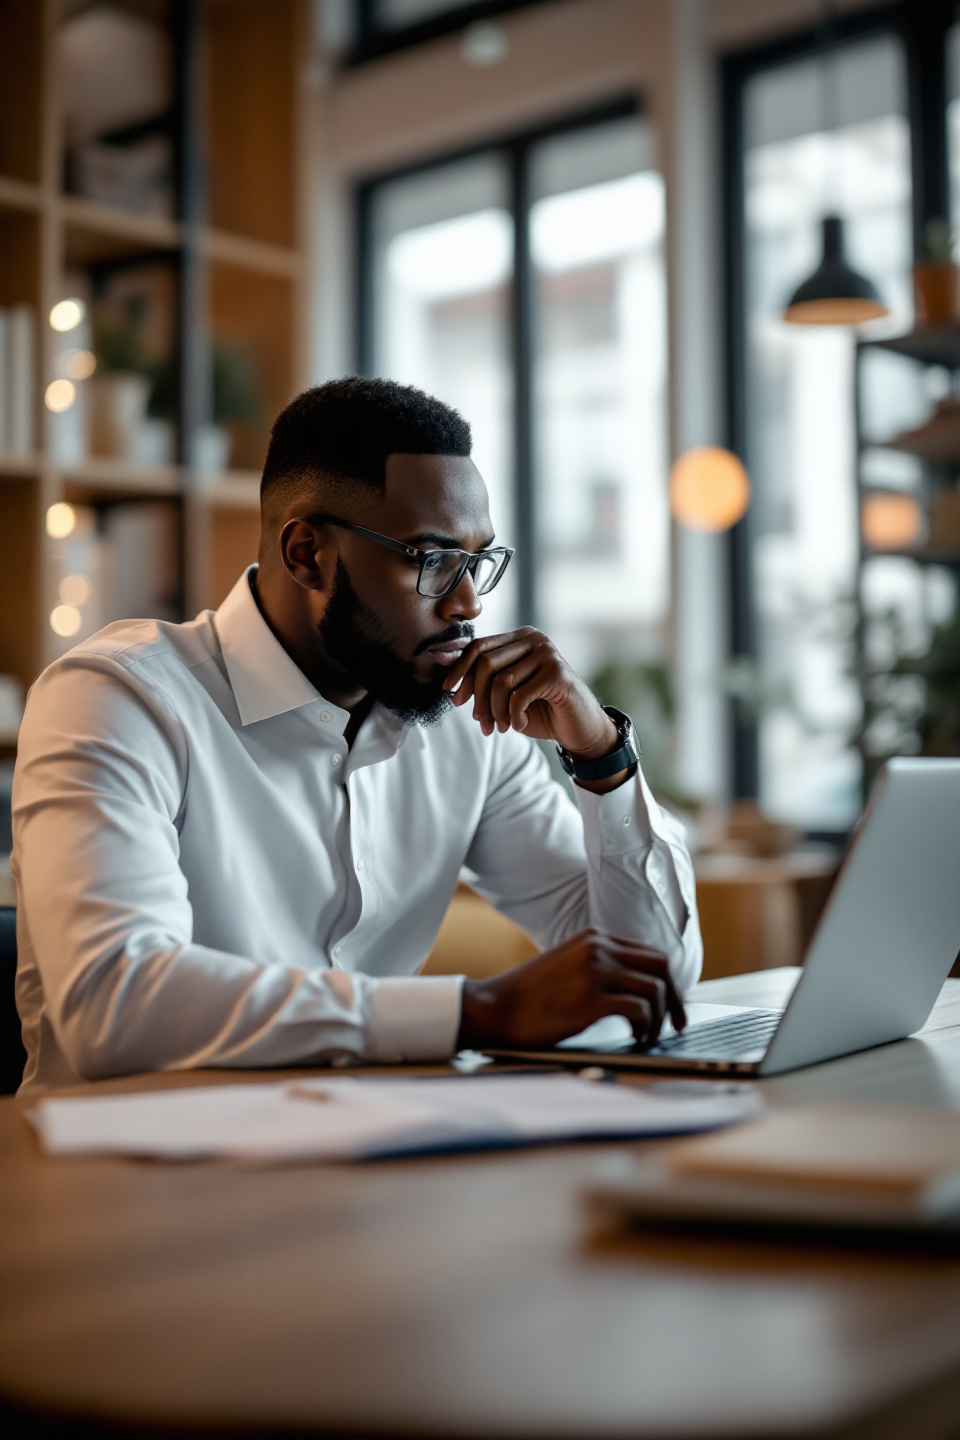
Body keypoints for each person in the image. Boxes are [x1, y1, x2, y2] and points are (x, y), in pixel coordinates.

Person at [12, 378, 701, 1094]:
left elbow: (654, 977)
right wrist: (475, 1012)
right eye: (430, 560)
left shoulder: (470, 730)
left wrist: (601, 756)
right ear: (307, 553)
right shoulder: (118, 699)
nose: (468, 602)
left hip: (374, 1165)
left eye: (476, 561)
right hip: (128, 1183)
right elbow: (112, 1003)